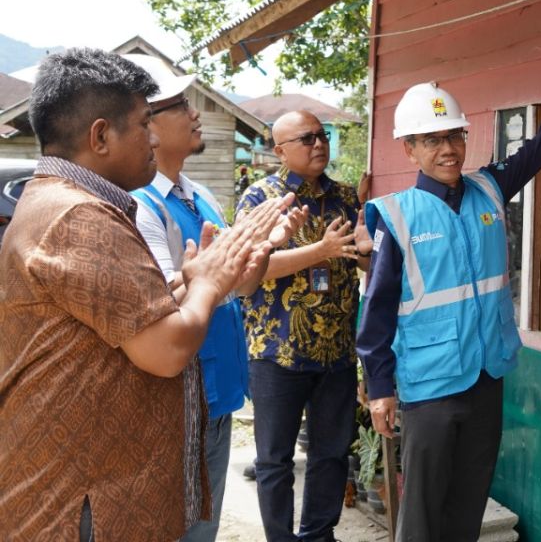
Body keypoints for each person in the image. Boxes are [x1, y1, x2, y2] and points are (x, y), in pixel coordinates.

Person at [0, 48, 295, 541]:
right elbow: (167, 349)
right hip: (84, 504)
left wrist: (189, 277)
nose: (153, 137)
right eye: (143, 123)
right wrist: (209, 281)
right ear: (100, 136)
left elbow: (123, 314)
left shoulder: (69, 203)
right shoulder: (80, 217)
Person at [357, 35, 541, 542]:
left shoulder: (490, 188)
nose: (448, 149)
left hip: (485, 377)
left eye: (454, 136)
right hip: (429, 388)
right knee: (424, 515)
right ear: (409, 148)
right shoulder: (398, 215)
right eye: (432, 140)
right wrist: (381, 388)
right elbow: (377, 313)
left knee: (468, 504)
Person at [126, 54, 294, 542]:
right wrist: (229, 262)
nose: (195, 113)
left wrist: (261, 246)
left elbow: (240, 285)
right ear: (147, 125)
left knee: (205, 524)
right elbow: (166, 304)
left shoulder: (198, 195)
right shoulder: (141, 205)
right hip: (179, 395)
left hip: (216, 391)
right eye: (180, 105)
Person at [237, 109, 373, 542]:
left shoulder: (347, 197)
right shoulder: (261, 198)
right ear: (279, 150)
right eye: (306, 138)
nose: (319, 144)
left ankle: (319, 534)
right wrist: (321, 250)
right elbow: (247, 273)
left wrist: (369, 252)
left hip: (335, 351)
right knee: (274, 461)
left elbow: (363, 257)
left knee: (331, 454)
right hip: (278, 350)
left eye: (322, 135)